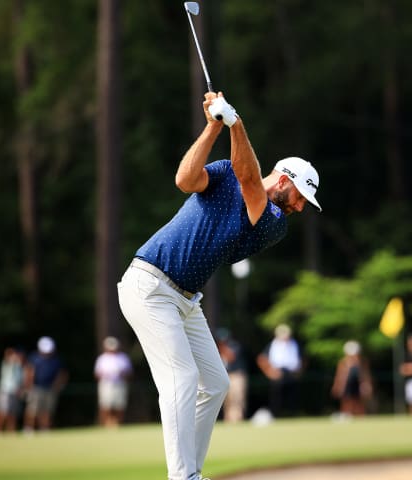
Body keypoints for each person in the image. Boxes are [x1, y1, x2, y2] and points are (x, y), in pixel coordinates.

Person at [116, 91, 321, 480]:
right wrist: (214, 125)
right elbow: (184, 179)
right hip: (149, 285)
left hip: (185, 299)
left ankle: (190, 471)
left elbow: (249, 181)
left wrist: (236, 123)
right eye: (300, 197)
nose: (299, 207)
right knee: (182, 378)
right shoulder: (227, 169)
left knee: (215, 383)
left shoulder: (273, 220)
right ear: (284, 180)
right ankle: (184, 477)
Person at [257, 324, 303, 418]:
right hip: (277, 373)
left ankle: (291, 415)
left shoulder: (294, 344)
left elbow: (302, 359)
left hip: (291, 373)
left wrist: (299, 372)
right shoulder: (272, 344)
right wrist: (269, 372)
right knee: (276, 398)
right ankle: (276, 415)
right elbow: (261, 359)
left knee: (292, 397)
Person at [23, 336, 68, 432]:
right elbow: (29, 372)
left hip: (50, 388)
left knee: (47, 410)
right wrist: (28, 385)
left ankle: (44, 428)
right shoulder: (34, 358)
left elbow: (62, 374)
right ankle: (28, 428)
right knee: (32, 410)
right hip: (36, 387)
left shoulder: (56, 360)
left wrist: (57, 386)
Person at [94, 336, 133, 428]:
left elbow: (129, 372)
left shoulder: (123, 357)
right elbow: (97, 373)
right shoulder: (102, 358)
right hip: (106, 384)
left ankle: (118, 423)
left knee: (120, 405)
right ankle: (106, 423)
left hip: (120, 383)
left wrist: (121, 374)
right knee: (105, 404)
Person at [330, 340, 373, 417]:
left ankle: (360, 416)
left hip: (358, 385)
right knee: (347, 401)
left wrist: (367, 385)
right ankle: (347, 415)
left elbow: (366, 375)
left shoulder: (362, 362)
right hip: (347, 386)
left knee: (359, 401)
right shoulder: (343, 362)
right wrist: (338, 386)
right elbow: (340, 376)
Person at [215, 328, 248, 423]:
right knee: (227, 400)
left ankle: (238, 418)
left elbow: (231, 357)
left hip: (236, 375)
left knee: (237, 399)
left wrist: (222, 347)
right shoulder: (217, 348)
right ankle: (228, 419)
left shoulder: (234, 345)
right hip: (225, 375)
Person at [0, 347, 25, 432]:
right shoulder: (7, 363)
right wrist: (13, 356)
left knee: (13, 413)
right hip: (5, 391)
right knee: (2, 411)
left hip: (15, 392)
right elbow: (8, 355)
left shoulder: (19, 367)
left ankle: (11, 430)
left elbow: (20, 381)